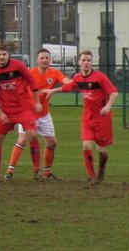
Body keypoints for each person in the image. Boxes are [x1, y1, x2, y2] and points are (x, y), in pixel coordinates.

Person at [42, 50, 118, 185]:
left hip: (102, 118)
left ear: (91, 62)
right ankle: (92, 177)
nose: (86, 63)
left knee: (101, 149)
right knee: (86, 145)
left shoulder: (100, 77)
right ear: (79, 63)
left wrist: (107, 106)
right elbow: (68, 87)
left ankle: (102, 168)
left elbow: (114, 93)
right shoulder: (77, 78)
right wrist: (52, 90)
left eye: (88, 60)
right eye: (83, 60)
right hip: (88, 118)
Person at [7, 48, 71, 181]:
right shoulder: (30, 73)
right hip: (28, 114)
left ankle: (47, 173)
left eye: (47, 58)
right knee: (23, 140)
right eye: (42, 58)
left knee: (52, 143)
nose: (44, 60)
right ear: (37, 60)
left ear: (50, 60)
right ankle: (10, 171)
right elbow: (18, 88)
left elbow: (66, 82)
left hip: (44, 115)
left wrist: (70, 82)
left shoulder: (54, 73)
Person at [0, 46, 41, 182]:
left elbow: (31, 80)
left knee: (32, 135)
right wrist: (0, 113)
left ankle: (36, 172)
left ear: (8, 55)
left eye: (4, 54)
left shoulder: (18, 66)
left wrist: (37, 102)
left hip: (23, 108)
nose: (2, 57)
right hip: (6, 111)